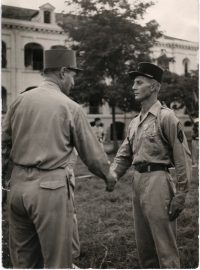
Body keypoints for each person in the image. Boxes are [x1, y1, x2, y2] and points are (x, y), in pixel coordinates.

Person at [2, 48, 116, 269]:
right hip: (50, 190)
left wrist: (5, 183)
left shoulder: (18, 101)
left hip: (16, 190)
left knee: (23, 261)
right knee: (58, 261)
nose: (73, 82)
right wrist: (108, 176)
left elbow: (4, 145)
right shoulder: (70, 106)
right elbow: (91, 153)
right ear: (63, 72)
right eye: (73, 75)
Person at [110, 62, 192, 268]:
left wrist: (181, 194)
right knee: (145, 249)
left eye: (139, 82)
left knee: (165, 248)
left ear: (154, 86)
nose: (133, 87)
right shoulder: (135, 122)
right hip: (137, 182)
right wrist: (110, 176)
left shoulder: (166, 117)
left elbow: (183, 157)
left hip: (158, 182)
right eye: (134, 83)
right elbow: (123, 156)